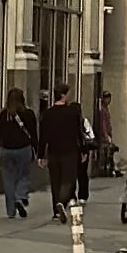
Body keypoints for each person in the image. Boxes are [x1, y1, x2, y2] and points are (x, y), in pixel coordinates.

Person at [39, 83, 89, 219]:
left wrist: (41, 155)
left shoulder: (48, 114)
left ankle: (56, 210)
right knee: (69, 179)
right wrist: (83, 150)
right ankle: (62, 201)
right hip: (70, 151)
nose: (69, 96)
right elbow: (79, 133)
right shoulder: (72, 113)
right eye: (68, 94)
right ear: (63, 95)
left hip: (53, 151)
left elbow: (43, 135)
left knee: (55, 180)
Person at [0, 88, 39, 218]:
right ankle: (19, 197)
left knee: (8, 180)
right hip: (24, 149)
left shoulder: (4, 115)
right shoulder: (29, 114)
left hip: (6, 150)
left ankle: (10, 211)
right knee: (23, 175)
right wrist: (36, 150)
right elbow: (33, 134)